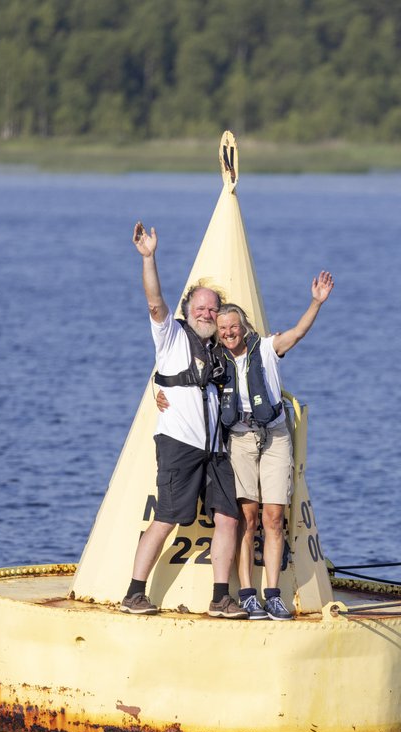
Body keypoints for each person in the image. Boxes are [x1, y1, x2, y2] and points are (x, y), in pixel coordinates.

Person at [158, 272, 334, 621]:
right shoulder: (215, 357)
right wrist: (157, 392)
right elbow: (171, 370)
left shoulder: (266, 348)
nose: (227, 332)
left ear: (244, 326)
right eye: (222, 328)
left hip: (275, 437)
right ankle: (247, 594)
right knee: (246, 517)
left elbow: (297, 333)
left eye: (233, 326)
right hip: (239, 438)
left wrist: (316, 302)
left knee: (273, 517)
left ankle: (273, 593)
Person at [121, 221, 247, 619]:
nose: (207, 313)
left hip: (216, 450)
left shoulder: (220, 349)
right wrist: (149, 258)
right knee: (168, 517)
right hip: (179, 445)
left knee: (229, 517)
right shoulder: (171, 335)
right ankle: (135, 592)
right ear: (187, 310)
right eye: (200, 307)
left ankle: (220, 597)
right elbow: (155, 301)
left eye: (213, 308)